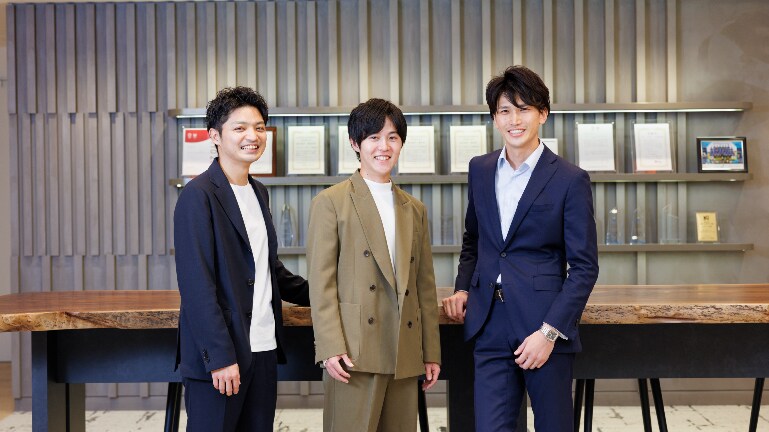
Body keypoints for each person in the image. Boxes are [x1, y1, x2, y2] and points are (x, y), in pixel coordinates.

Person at [442, 66, 599, 431]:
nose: (514, 120)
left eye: (524, 109)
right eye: (505, 111)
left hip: (542, 324)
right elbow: (474, 239)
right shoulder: (480, 169)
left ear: (543, 113)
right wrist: (463, 287)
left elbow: (584, 267)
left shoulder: (570, 179)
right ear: (494, 118)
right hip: (489, 324)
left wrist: (550, 332)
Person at [174, 86, 310, 432]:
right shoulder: (198, 195)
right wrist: (220, 357)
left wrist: (327, 293)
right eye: (240, 128)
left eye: (259, 127)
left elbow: (269, 270)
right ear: (214, 136)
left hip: (262, 348)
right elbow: (197, 286)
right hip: (223, 357)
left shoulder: (258, 191)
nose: (253, 136)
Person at [307, 98, 441, 432]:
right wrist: (330, 347)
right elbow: (321, 285)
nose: (384, 146)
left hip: (403, 349)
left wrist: (430, 351)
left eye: (393, 137)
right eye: (374, 137)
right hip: (353, 352)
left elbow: (424, 287)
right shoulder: (331, 202)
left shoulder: (415, 209)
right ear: (355, 143)